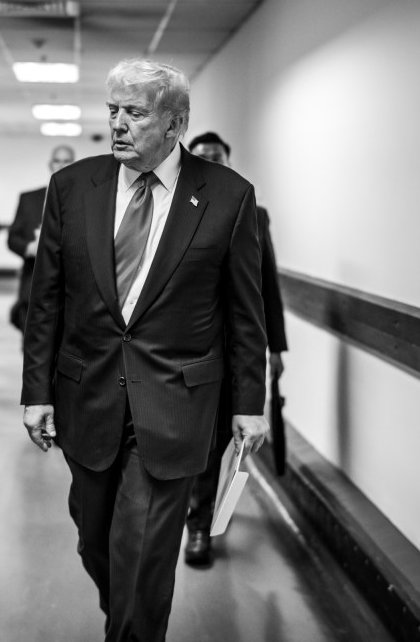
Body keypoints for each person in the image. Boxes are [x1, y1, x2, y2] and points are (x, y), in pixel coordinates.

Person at [21, 59, 269, 642]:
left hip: (175, 404)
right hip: (88, 394)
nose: (118, 125)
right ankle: (126, 618)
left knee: (144, 548)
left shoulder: (227, 196)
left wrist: (250, 402)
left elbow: (245, 312)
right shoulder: (73, 187)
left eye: (134, 113)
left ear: (175, 123)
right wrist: (36, 393)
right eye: (112, 111)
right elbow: (46, 299)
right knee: (96, 538)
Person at [182, 131, 288, 567]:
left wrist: (275, 349)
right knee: (204, 445)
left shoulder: (254, 212)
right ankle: (198, 526)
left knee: (226, 441)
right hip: (195, 348)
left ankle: (206, 516)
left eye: (219, 156)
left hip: (241, 347)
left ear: (229, 159)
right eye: (204, 157)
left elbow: (267, 285)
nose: (213, 162)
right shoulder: (180, 208)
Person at [6, 144, 76, 331]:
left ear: (73, 164)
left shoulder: (85, 200)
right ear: (50, 164)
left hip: (70, 285)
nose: (61, 166)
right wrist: (29, 248)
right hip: (33, 281)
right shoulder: (29, 199)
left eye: (66, 161)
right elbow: (13, 238)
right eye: (57, 161)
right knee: (31, 340)